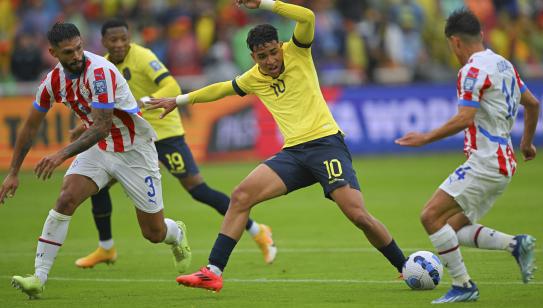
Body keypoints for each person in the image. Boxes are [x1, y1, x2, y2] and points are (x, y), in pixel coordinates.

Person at [148, 0, 407, 293]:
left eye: (273, 52)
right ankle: (213, 271)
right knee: (241, 196)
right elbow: (220, 89)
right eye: (262, 57)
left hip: (325, 145)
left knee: (357, 215)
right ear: (253, 57)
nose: (270, 60)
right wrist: (178, 100)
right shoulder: (254, 78)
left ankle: (404, 265)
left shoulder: (298, 51)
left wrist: (265, 3)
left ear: (280, 46)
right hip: (294, 154)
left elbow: (307, 16)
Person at [0, 23, 191, 299]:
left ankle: (176, 233)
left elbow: (102, 125)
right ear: (53, 53)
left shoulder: (99, 72)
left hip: (134, 150)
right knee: (66, 199)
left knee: (153, 231)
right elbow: (29, 126)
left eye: (79, 48)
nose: (77, 55)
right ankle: (38, 278)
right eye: (69, 52)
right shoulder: (52, 82)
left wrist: (61, 154)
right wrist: (13, 172)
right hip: (100, 149)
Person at [72, 19, 277, 269]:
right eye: (113, 40)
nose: (119, 44)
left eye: (123, 39)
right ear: (103, 42)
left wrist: (148, 101)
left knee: (198, 190)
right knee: (99, 183)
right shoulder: (103, 67)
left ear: (130, 39)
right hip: (133, 138)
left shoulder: (143, 57)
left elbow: (171, 84)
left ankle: (257, 230)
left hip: (165, 134)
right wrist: (86, 124)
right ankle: (106, 247)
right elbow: (105, 105)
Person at [395, 9, 539, 304]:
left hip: (485, 162)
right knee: (453, 228)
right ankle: (516, 245)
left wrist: (425, 137)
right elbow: (533, 104)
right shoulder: (504, 65)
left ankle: (463, 285)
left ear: (455, 42)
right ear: (482, 35)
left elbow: (464, 118)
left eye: (451, 47)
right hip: (504, 164)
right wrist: (526, 143)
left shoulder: (471, 71)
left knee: (430, 216)